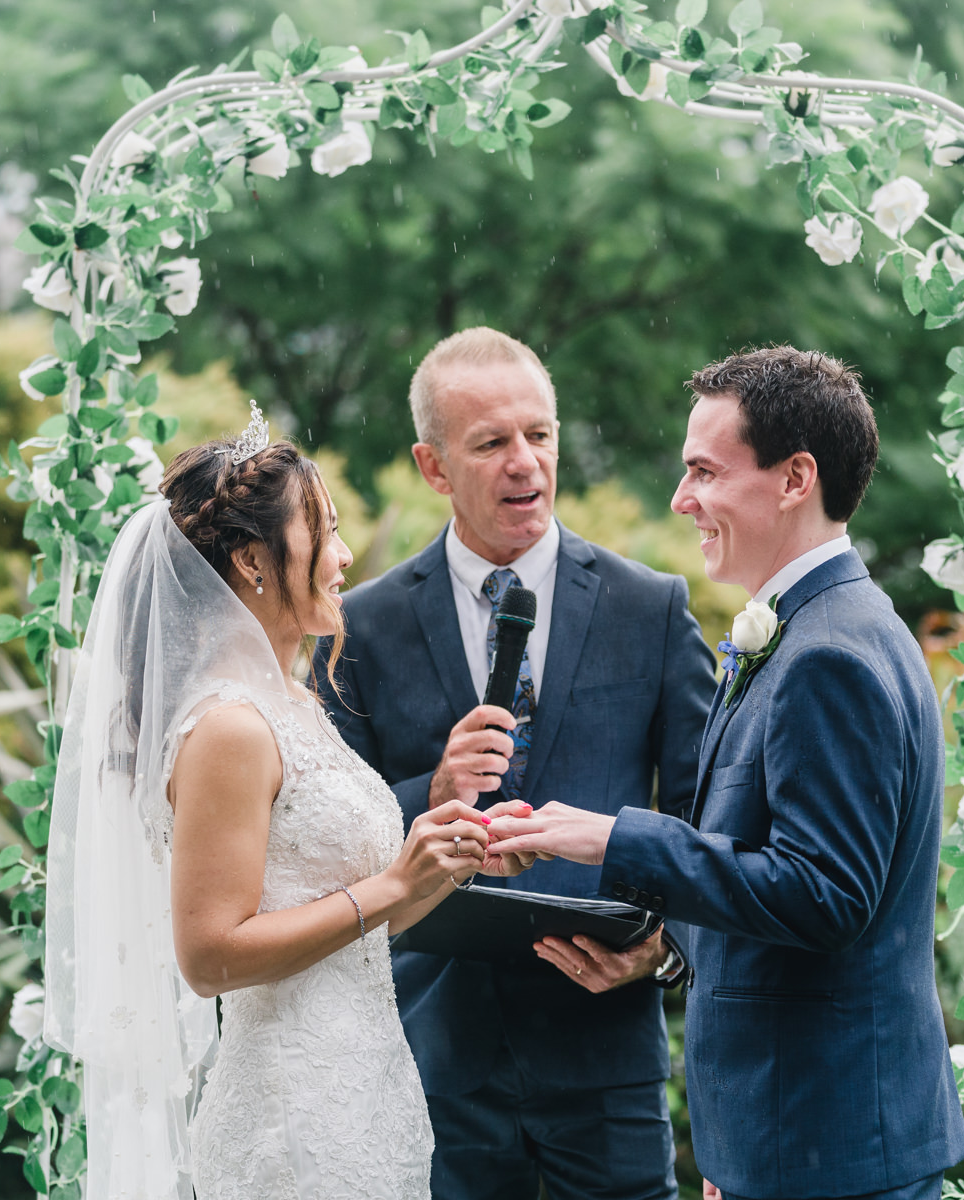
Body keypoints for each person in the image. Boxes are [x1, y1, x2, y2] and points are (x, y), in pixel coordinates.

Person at [488, 347, 964, 1200]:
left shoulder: (830, 658)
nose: (682, 500)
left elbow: (824, 896)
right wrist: (664, 954)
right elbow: (778, 890)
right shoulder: (825, 627)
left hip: (830, 1151)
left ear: (795, 479)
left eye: (704, 471)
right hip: (791, 1143)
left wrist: (613, 837)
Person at [43, 416, 531, 1200]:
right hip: (291, 1118)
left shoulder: (293, 705)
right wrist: (395, 887)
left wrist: (448, 859)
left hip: (364, 1090)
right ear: (249, 560)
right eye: (325, 535)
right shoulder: (231, 727)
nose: (343, 560)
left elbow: (354, 918)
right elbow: (209, 955)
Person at [314, 327, 717, 1200]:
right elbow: (323, 838)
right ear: (433, 466)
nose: (524, 463)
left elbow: (703, 817)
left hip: (604, 1049)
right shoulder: (362, 627)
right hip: (434, 1059)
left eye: (539, 435)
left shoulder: (650, 607)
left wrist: (662, 949)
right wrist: (434, 792)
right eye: (491, 443)